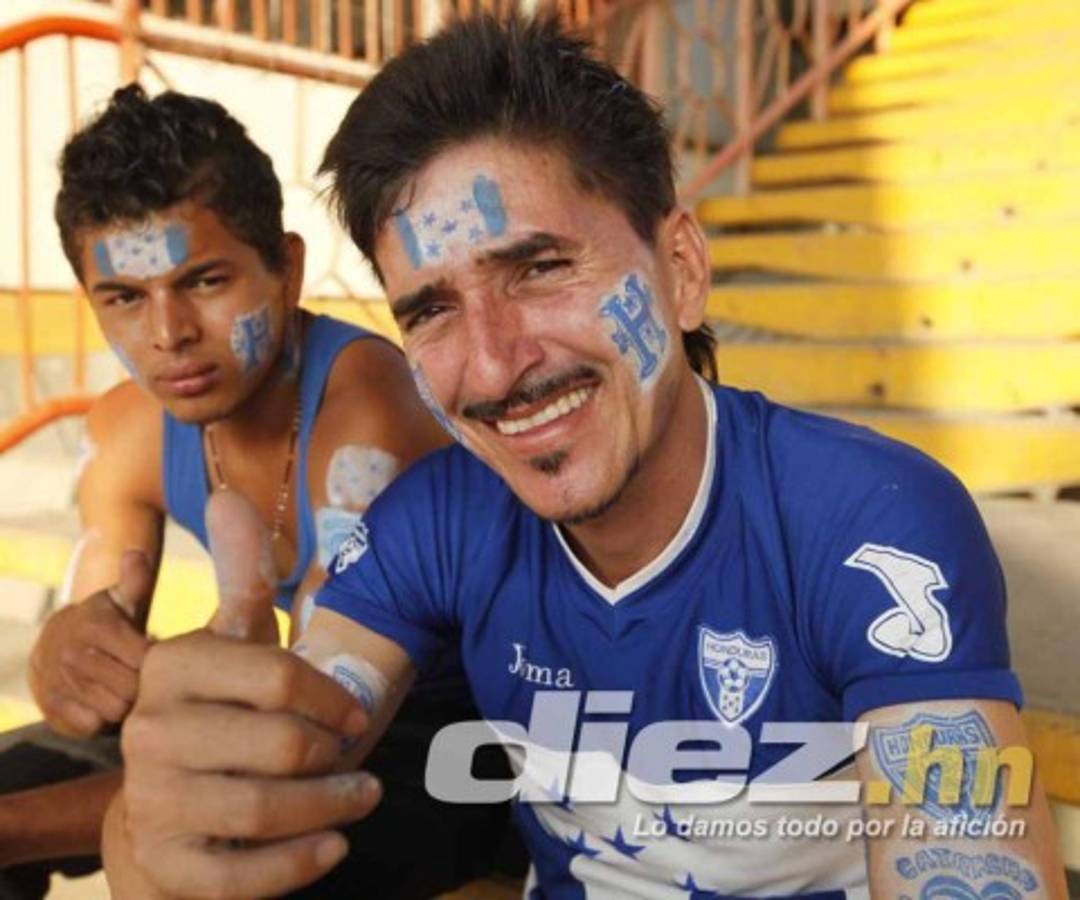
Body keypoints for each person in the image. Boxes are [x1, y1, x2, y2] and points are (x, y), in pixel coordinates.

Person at [104, 15, 1069, 899]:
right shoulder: (435, 520)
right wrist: (172, 806)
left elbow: (968, 868)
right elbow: (285, 756)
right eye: (432, 310)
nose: (494, 366)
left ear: (681, 272)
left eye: (540, 268)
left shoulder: (870, 519)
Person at [0, 85, 514, 898]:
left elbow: (304, 738)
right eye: (125, 298)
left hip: (452, 731)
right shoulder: (127, 432)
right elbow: (98, 673)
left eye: (204, 281)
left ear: (288, 271)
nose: (168, 335)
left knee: (252, 845)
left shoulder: (365, 417)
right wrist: (64, 656)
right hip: (307, 723)